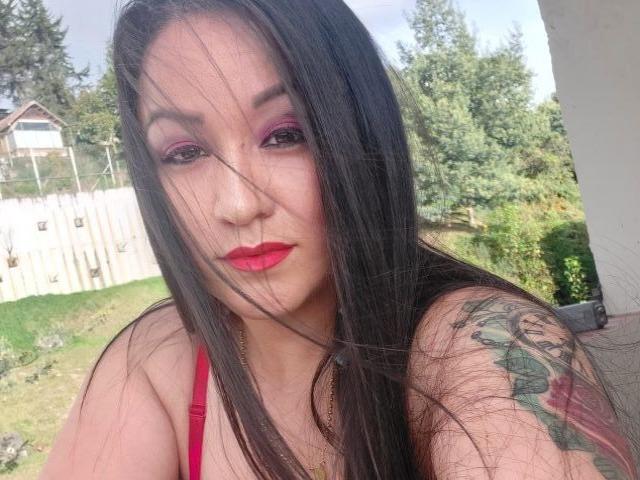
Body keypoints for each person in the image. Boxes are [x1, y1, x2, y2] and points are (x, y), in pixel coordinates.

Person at [39, 0, 636, 479]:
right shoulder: (155, 359)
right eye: (184, 152)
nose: (237, 204)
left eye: (285, 134)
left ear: (359, 136)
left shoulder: (485, 344)